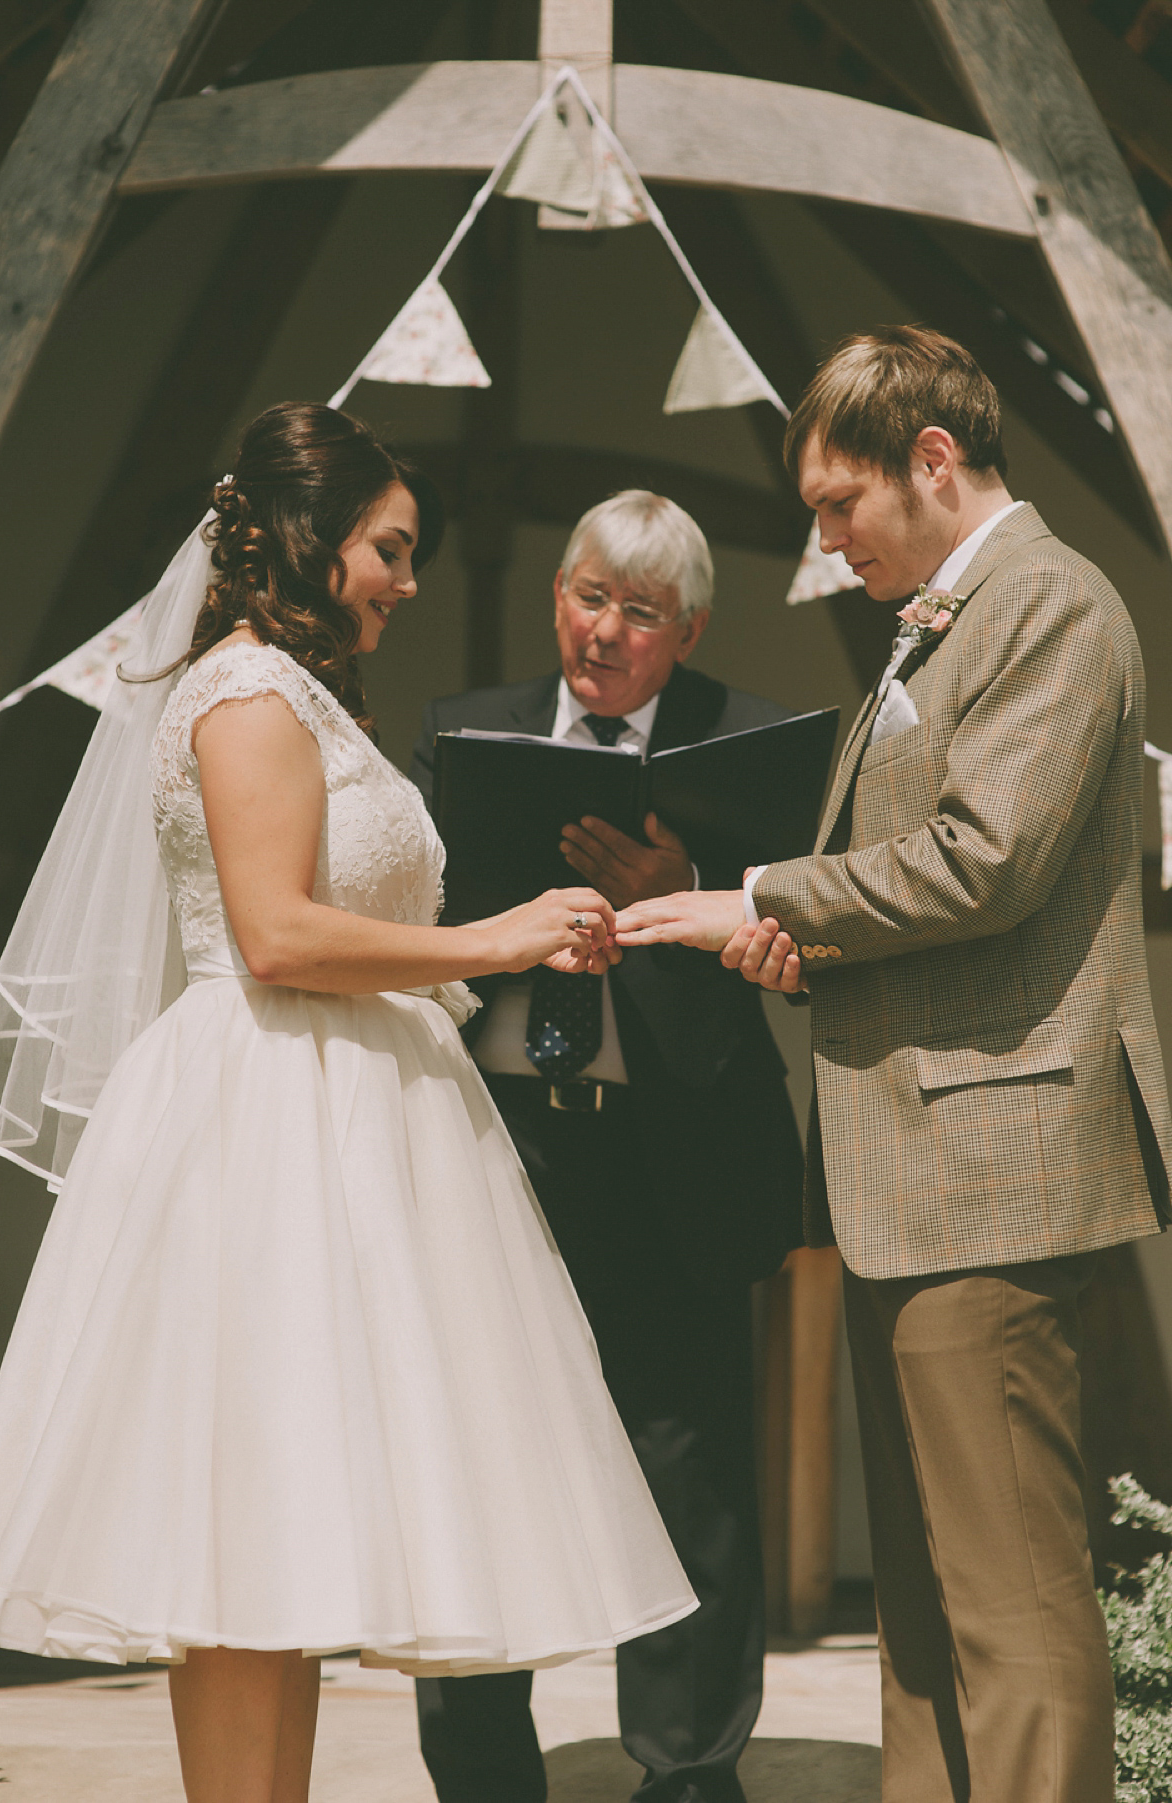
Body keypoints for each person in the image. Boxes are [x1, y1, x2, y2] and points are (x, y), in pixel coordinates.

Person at [0, 405, 697, 1803]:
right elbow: (276, 937)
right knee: (240, 1547)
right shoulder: (245, 695)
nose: (407, 581)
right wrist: (501, 939)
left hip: (347, 1125)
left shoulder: (311, 700)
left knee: (291, 1564)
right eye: (390, 548)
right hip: (263, 1136)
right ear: (309, 539)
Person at [613, 327, 1172, 1803]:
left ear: (935, 461)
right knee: (924, 1613)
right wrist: (806, 951)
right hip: (911, 1170)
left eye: (837, 503)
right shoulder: (940, 618)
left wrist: (768, 898)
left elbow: (987, 861)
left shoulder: (1051, 602)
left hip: (994, 1166)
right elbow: (932, 891)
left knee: (1014, 1603)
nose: (824, 540)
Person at [408, 490, 804, 1803]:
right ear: (556, 594)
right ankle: (479, 1772)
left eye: (640, 613)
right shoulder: (471, 734)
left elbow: (789, 976)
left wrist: (676, 908)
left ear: (685, 630)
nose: (606, 632)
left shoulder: (742, 749)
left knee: (687, 1471)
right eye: (589, 596)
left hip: (667, 1147)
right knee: (476, 1467)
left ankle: (689, 1775)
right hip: (503, 1148)